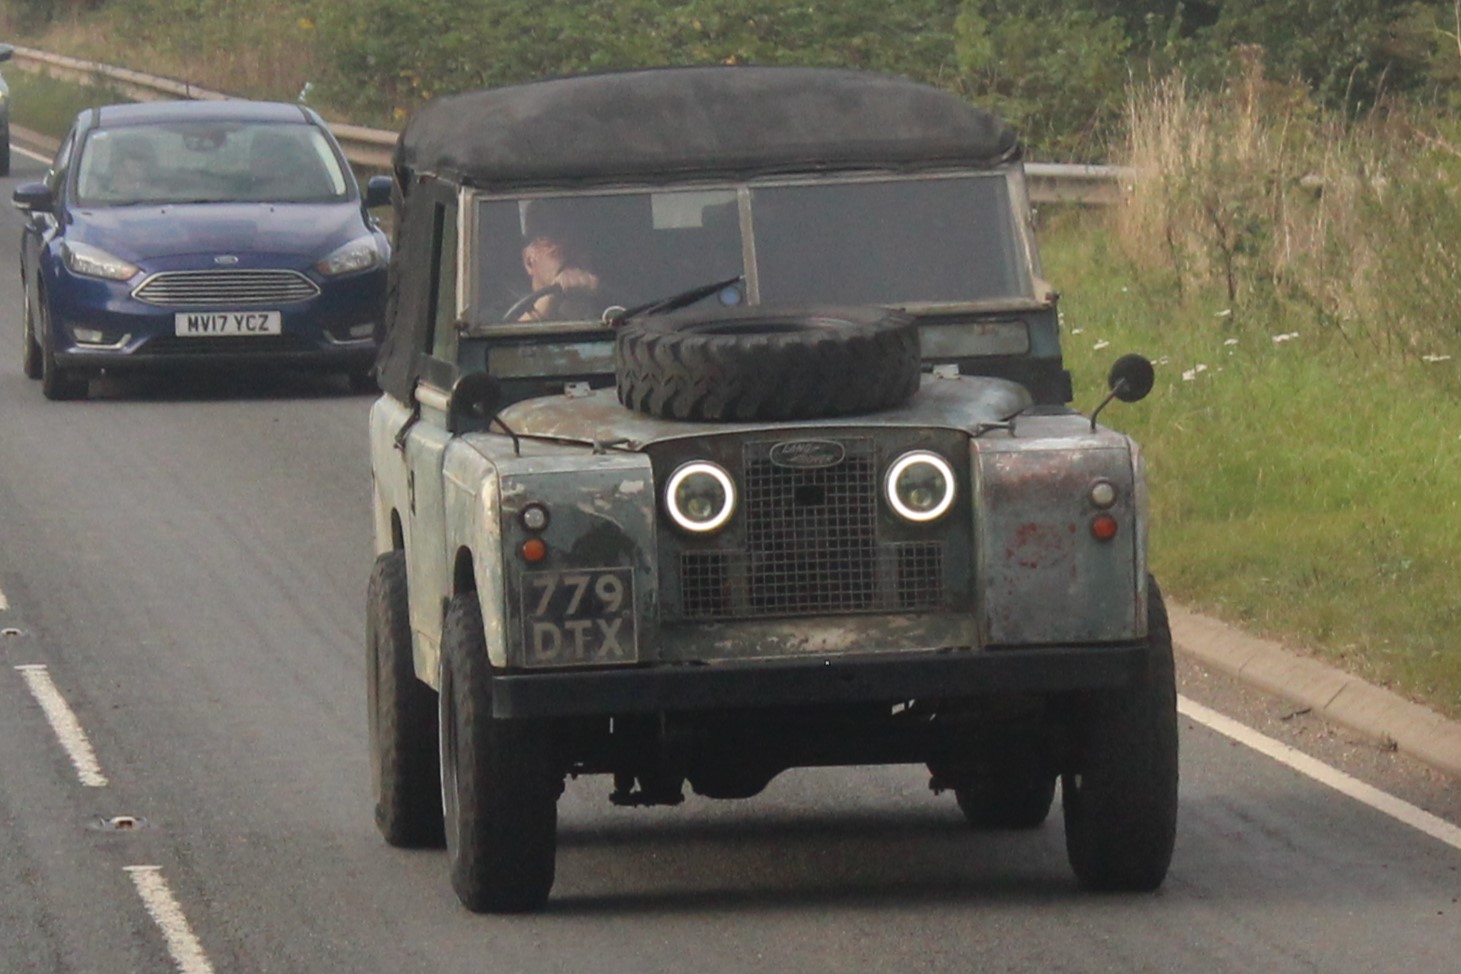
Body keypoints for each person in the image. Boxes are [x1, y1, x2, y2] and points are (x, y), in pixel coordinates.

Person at [515, 202, 601, 321]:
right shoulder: (496, 318)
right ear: (529, 261)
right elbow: (503, 339)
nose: (566, 247)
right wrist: (551, 297)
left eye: (578, 239)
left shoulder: (612, 310)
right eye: (553, 237)